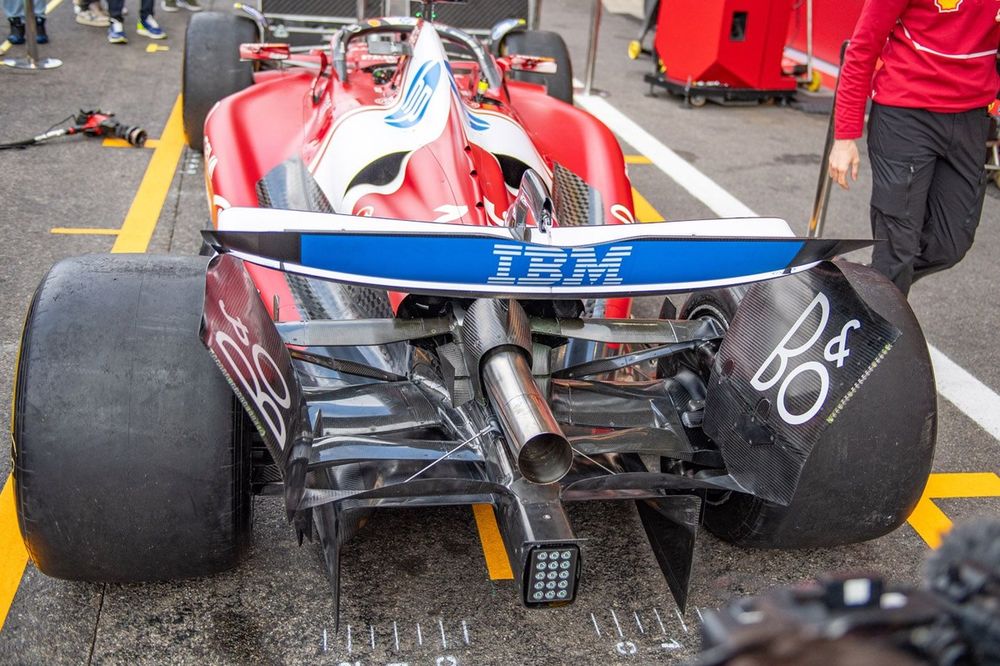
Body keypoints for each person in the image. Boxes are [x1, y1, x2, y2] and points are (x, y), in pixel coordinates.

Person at [828, 0, 1000, 297]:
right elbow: (862, 48)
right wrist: (845, 136)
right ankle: (880, 330)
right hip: (905, 114)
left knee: (950, 246)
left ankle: (866, 284)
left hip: (971, 117)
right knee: (897, 249)